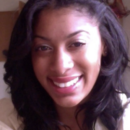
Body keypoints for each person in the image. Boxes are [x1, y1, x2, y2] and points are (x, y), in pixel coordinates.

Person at [0, 0, 130, 130]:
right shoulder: (6, 119)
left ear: (105, 45)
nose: (60, 67)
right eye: (43, 48)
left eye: (77, 44)